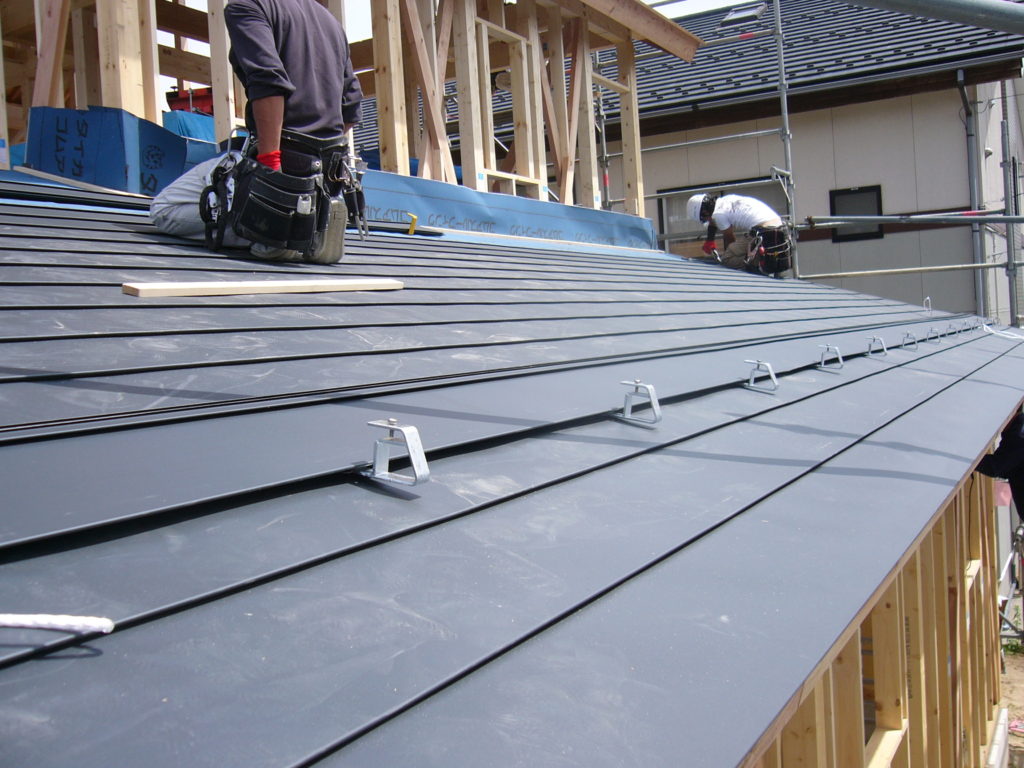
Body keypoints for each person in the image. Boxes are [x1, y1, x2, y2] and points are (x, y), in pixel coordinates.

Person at [150, 0, 363, 263]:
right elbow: (351, 104)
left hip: (279, 160)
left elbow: (268, 82)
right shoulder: (330, 23)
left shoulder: (248, 6)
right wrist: (320, 151)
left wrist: (271, 171)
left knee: (164, 208)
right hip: (324, 177)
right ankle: (311, 223)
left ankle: (274, 231)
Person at [686, 192, 792, 277]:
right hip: (779, 228)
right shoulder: (725, 201)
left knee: (727, 259)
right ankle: (759, 258)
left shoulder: (718, 215)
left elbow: (729, 238)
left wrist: (729, 258)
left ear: (705, 212)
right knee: (737, 250)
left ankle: (757, 261)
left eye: (704, 219)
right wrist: (710, 240)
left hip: (764, 232)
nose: (707, 221)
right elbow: (713, 221)